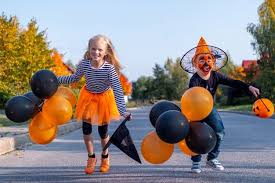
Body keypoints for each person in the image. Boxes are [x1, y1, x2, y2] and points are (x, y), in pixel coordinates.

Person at [180, 37, 260, 174]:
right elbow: (192, 98)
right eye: (202, 59)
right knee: (195, 135)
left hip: (209, 109)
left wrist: (248, 87)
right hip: (195, 110)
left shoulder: (216, 76)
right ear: (195, 62)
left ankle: (212, 158)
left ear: (213, 61)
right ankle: (196, 162)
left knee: (220, 131)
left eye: (209, 59)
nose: (206, 62)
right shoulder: (194, 80)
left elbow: (233, 82)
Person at [57, 34, 131, 174]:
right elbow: (74, 78)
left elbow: (117, 90)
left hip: (104, 99)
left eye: (99, 50)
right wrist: (56, 79)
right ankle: (91, 158)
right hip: (88, 98)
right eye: (93, 49)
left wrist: (123, 111)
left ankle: (105, 156)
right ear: (89, 49)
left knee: (103, 132)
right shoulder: (84, 64)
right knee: (86, 129)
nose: (96, 52)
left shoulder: (109, 69)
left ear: (105, 52)